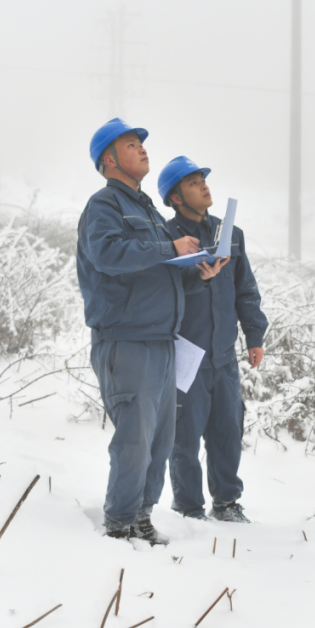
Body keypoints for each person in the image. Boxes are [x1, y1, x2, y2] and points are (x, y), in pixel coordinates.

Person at [76, 120, 226, 545]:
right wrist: (168, 248)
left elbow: (163, 275)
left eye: (141, 143)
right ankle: (120, 523)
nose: (142, 149)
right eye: (131, 144)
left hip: (162, 342)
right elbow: (107, 253)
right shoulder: (104, 206)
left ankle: (141, 515)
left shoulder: (148, 212)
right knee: (134, 440)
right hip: (127, 341)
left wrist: (200, 274)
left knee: (160, 440)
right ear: (109, 159)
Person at [157, 156, 268, 523]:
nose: (204, 186)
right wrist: (196, 279)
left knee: (228, 430)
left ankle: (226, 502)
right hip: (187, 354)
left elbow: (245, 289)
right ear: (175, 198)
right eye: (193, 183)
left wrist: (254, 335)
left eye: (203, 179)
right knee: (184, 437)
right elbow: (161, 293)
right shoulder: (168, 238)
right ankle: (188, 509)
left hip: (224, 354)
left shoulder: (229, 234)